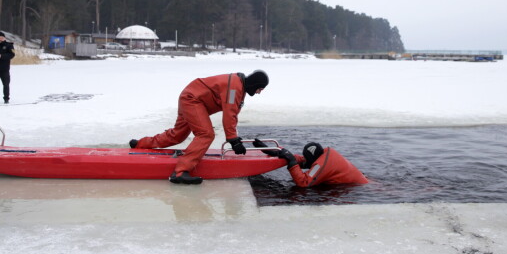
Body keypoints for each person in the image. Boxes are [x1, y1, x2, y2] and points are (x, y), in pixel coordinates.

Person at [130, 70, 269, 184]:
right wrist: (233, 140)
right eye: (260, 88)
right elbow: (229, 115)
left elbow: (232, 114)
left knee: (178, 135)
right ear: (255, 84)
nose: (259, 92)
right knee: (206, 134)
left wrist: (235, 139)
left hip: (190, 97)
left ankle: (139, 144)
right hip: (192, 100)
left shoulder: (238, 86)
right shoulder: (234, 88)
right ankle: (180, 172)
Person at [253, 139, 368, 187]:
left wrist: (292, 162)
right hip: (363, 182)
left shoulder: (320, 165)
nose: (305, 161)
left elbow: (304, 183)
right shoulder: (324, 155)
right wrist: (277, 153)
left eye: (308, 159)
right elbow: (304, 160)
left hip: (359, 187)